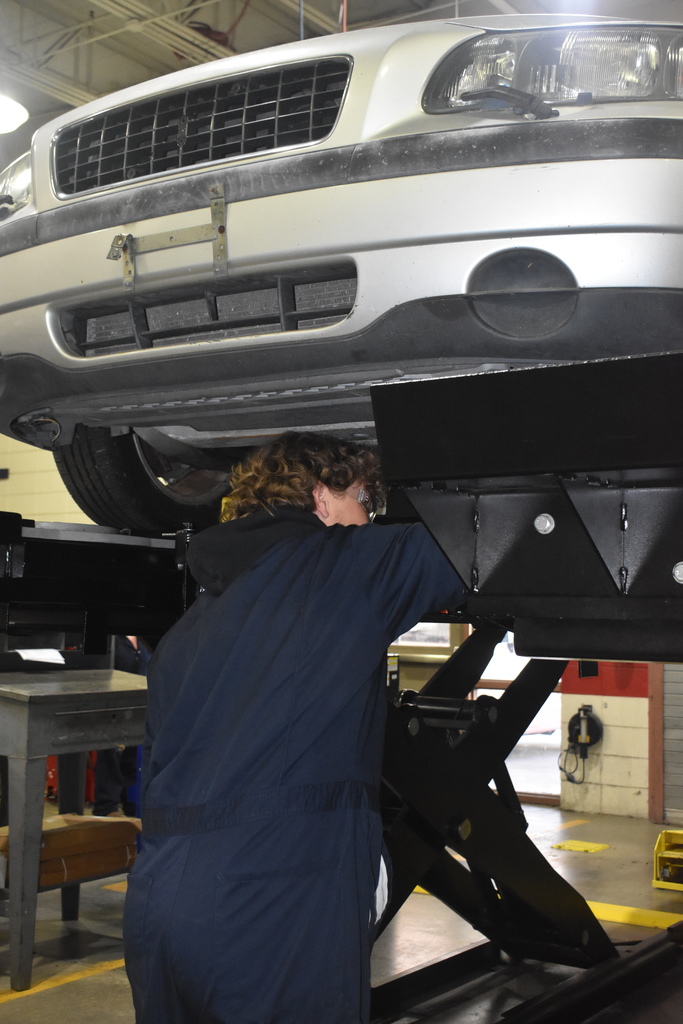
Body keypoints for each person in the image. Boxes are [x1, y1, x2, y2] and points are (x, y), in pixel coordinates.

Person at [123, 431, 466, 1024]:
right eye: (367, 501)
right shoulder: (341, 567)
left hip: (158, 900)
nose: (371, 520)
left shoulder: (186, 632)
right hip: (269, 902)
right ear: (322, 497)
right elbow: (474, 542)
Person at [93, 636, 152, 817]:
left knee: (133, 757)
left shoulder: (144, 642)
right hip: (112, 706)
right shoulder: (113, 640)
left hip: (138, 707)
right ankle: (107, 807)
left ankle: (131, 804)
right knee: (110, 755)